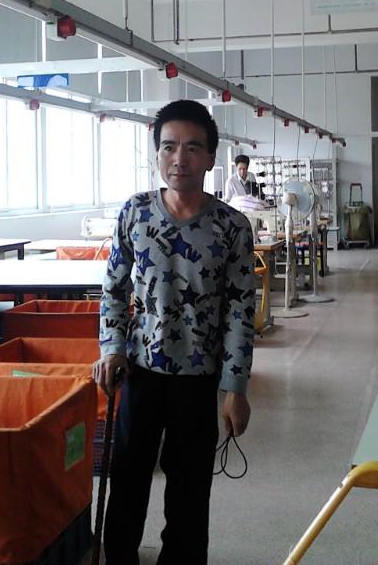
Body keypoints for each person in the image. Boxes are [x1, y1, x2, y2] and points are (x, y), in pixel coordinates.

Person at [93, 99, 256, 565]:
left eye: (191, 148)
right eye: (168, 147)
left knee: (188, 493)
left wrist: (235, 388)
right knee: (127, 482)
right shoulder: (135, 213)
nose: (178, 158)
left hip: (198, 380)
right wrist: (111, 348)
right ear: (157, 153)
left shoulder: (231, 227)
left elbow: (241, 311)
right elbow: (113, 289)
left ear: (210, 158)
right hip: (139, 373)